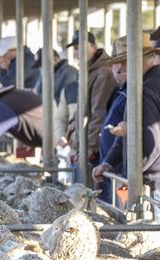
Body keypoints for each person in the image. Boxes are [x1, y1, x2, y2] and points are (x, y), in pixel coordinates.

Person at [90, 35, 160, 216]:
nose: (120, 69)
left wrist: (132, 176)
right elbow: (131, 133)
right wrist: (109, 162)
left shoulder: (145, 91)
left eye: (123, 63)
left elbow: (151, 144)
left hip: (153, 186)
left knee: (151, 242)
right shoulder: (153, 84)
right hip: (158, 180)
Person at [67, 31, 117, 169]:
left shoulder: (102, 72)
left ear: (94, 47)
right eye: (76, 49)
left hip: (97, 145)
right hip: (90, 141)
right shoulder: (89, 70)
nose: (78, 52)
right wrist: (74, 121)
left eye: (82, 47)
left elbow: (99, 111)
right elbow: (85, 107)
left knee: (96, 188)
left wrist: (90, 146)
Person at [90, 37, 129, 203]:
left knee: (125, 214)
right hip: (115, 167)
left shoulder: (132, 93)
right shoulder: (122, 92)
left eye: (119, 70)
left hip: (124, 172)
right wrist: (106, 163)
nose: (116, 74)